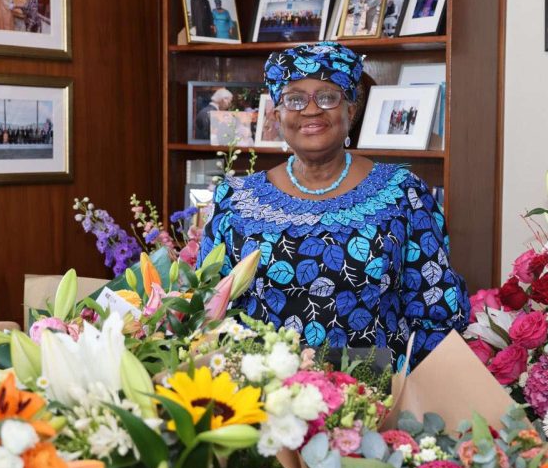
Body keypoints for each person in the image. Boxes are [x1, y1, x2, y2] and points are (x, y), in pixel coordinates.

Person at [197, 42, 470, 369]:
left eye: (327, 96)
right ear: (277, 114)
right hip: (264, 396)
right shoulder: (234, 199)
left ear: (351, 111)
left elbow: (435, 313)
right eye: (295, 99)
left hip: (373, 395)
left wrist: (414, 405)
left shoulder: (404, 195)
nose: (311, 110)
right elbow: (210, 308)